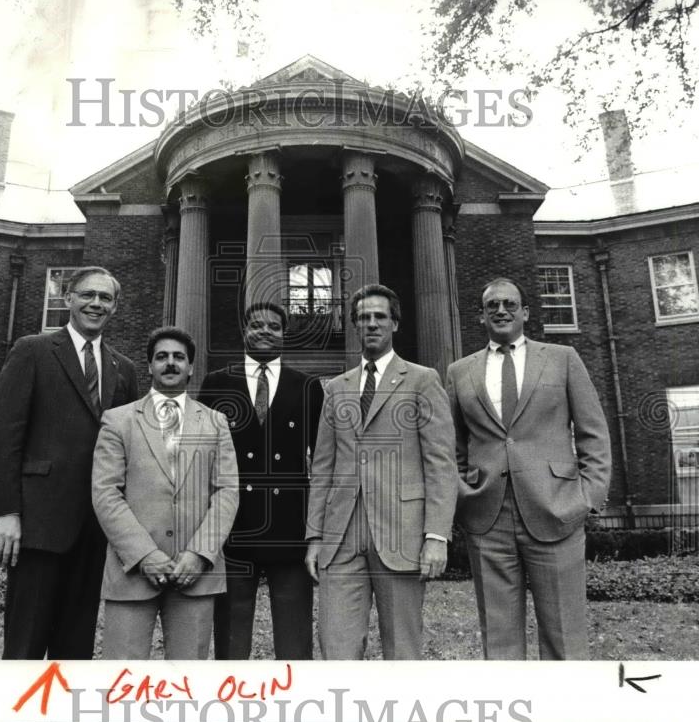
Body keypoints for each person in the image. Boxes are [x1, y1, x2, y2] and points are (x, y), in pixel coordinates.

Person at [445, 277, 611, 660]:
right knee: (499, 640)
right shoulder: (459, 372)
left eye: (509, 304)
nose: (501, 310)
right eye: (492, 306)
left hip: (557, 509)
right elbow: (449, 446)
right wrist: (462, 495)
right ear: (481, 316)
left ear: (525, 312)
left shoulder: (562, 358)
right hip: (487, 517)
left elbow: (593, 434)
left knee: (565, 637)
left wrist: (587, 497)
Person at [0, 265, 139, 659]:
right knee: (25, 646)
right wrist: (7, 511)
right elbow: (5, 436)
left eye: (105, 298)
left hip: (94, 528)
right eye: (87, 295)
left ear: (115, 307)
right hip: (39, 524)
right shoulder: (32, 350)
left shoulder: (124, 370)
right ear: (68, 299)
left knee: (75, 649)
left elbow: (128, 451)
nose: (96, 303)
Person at [304, 284, 457, 659]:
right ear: (355, 325)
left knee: (402, 651)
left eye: (379, 317)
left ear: (394, 324)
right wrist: (314, 535)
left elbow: (440, 463)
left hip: (401, 531)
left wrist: (436, 535)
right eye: (363, 318)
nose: (371, 324)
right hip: (341, 535)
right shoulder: (336, 389)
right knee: (336, 648)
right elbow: (323, 468)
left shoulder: (423, 380)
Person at [91, 326, 239, 659]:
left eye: (178, 357)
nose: (170, 364)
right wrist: (145, 555)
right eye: (161, 357)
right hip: (131, 572)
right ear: (149, 366)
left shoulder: (215, 423)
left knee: (187, 682)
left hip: (196, 574)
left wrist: (199, 554)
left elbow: (227, 492)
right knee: (123, 682)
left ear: (190, 367)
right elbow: (105, 494)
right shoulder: (118, 421)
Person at [199, 301, 325, 659]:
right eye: (257, 325)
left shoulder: (307, 386)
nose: (266, 331)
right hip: (234, 526)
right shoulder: (218, 382)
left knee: (294, 636)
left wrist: (317, 529)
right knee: (231, 635)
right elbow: (203, 458)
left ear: (285, 334)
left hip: (290, 527)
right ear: (245, 331)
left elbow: (323, 459)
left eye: (274, 326)